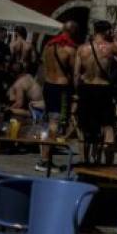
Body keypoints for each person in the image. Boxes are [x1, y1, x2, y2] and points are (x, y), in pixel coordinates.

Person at [75, 21, 117, 163]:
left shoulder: (82, 49)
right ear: (106, 32)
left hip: (86, 88)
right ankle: (107, 162)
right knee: (108, 126)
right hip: (103, 89)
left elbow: (76, 74)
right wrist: (115, 41)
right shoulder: (110, 47)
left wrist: (77, 92)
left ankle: (84, 161)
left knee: (84, 126)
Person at [40, 21, 80, 167]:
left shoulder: (48, 46)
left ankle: (44, 157)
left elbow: (44, 66)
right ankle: (45, 160)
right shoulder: (70, 49)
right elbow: (75, 74)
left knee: (48, 121)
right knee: (55, 123)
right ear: (74, 32)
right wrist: (76, 92)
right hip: (61, 88)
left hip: (48, 86)